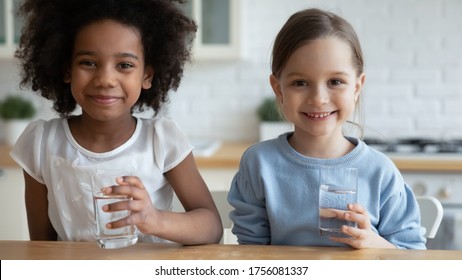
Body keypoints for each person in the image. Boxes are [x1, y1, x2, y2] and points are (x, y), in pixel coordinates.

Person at [10, 0, 223, 245]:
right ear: (67, 69)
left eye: (124, 65)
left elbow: (212, 227)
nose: (105, 79)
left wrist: (155, 219)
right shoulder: (41, 143)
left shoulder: (162, 139)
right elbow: (42, 247)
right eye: (88, 63)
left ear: (147, 76)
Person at [227, 8, 425, 249]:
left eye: (335, 82)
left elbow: (412, 256)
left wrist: (374, 244)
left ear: (357, 87)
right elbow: (252, 254)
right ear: (278, 89)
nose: (319, 98)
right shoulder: (259, 163)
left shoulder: (380, 172)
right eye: (300, 83)